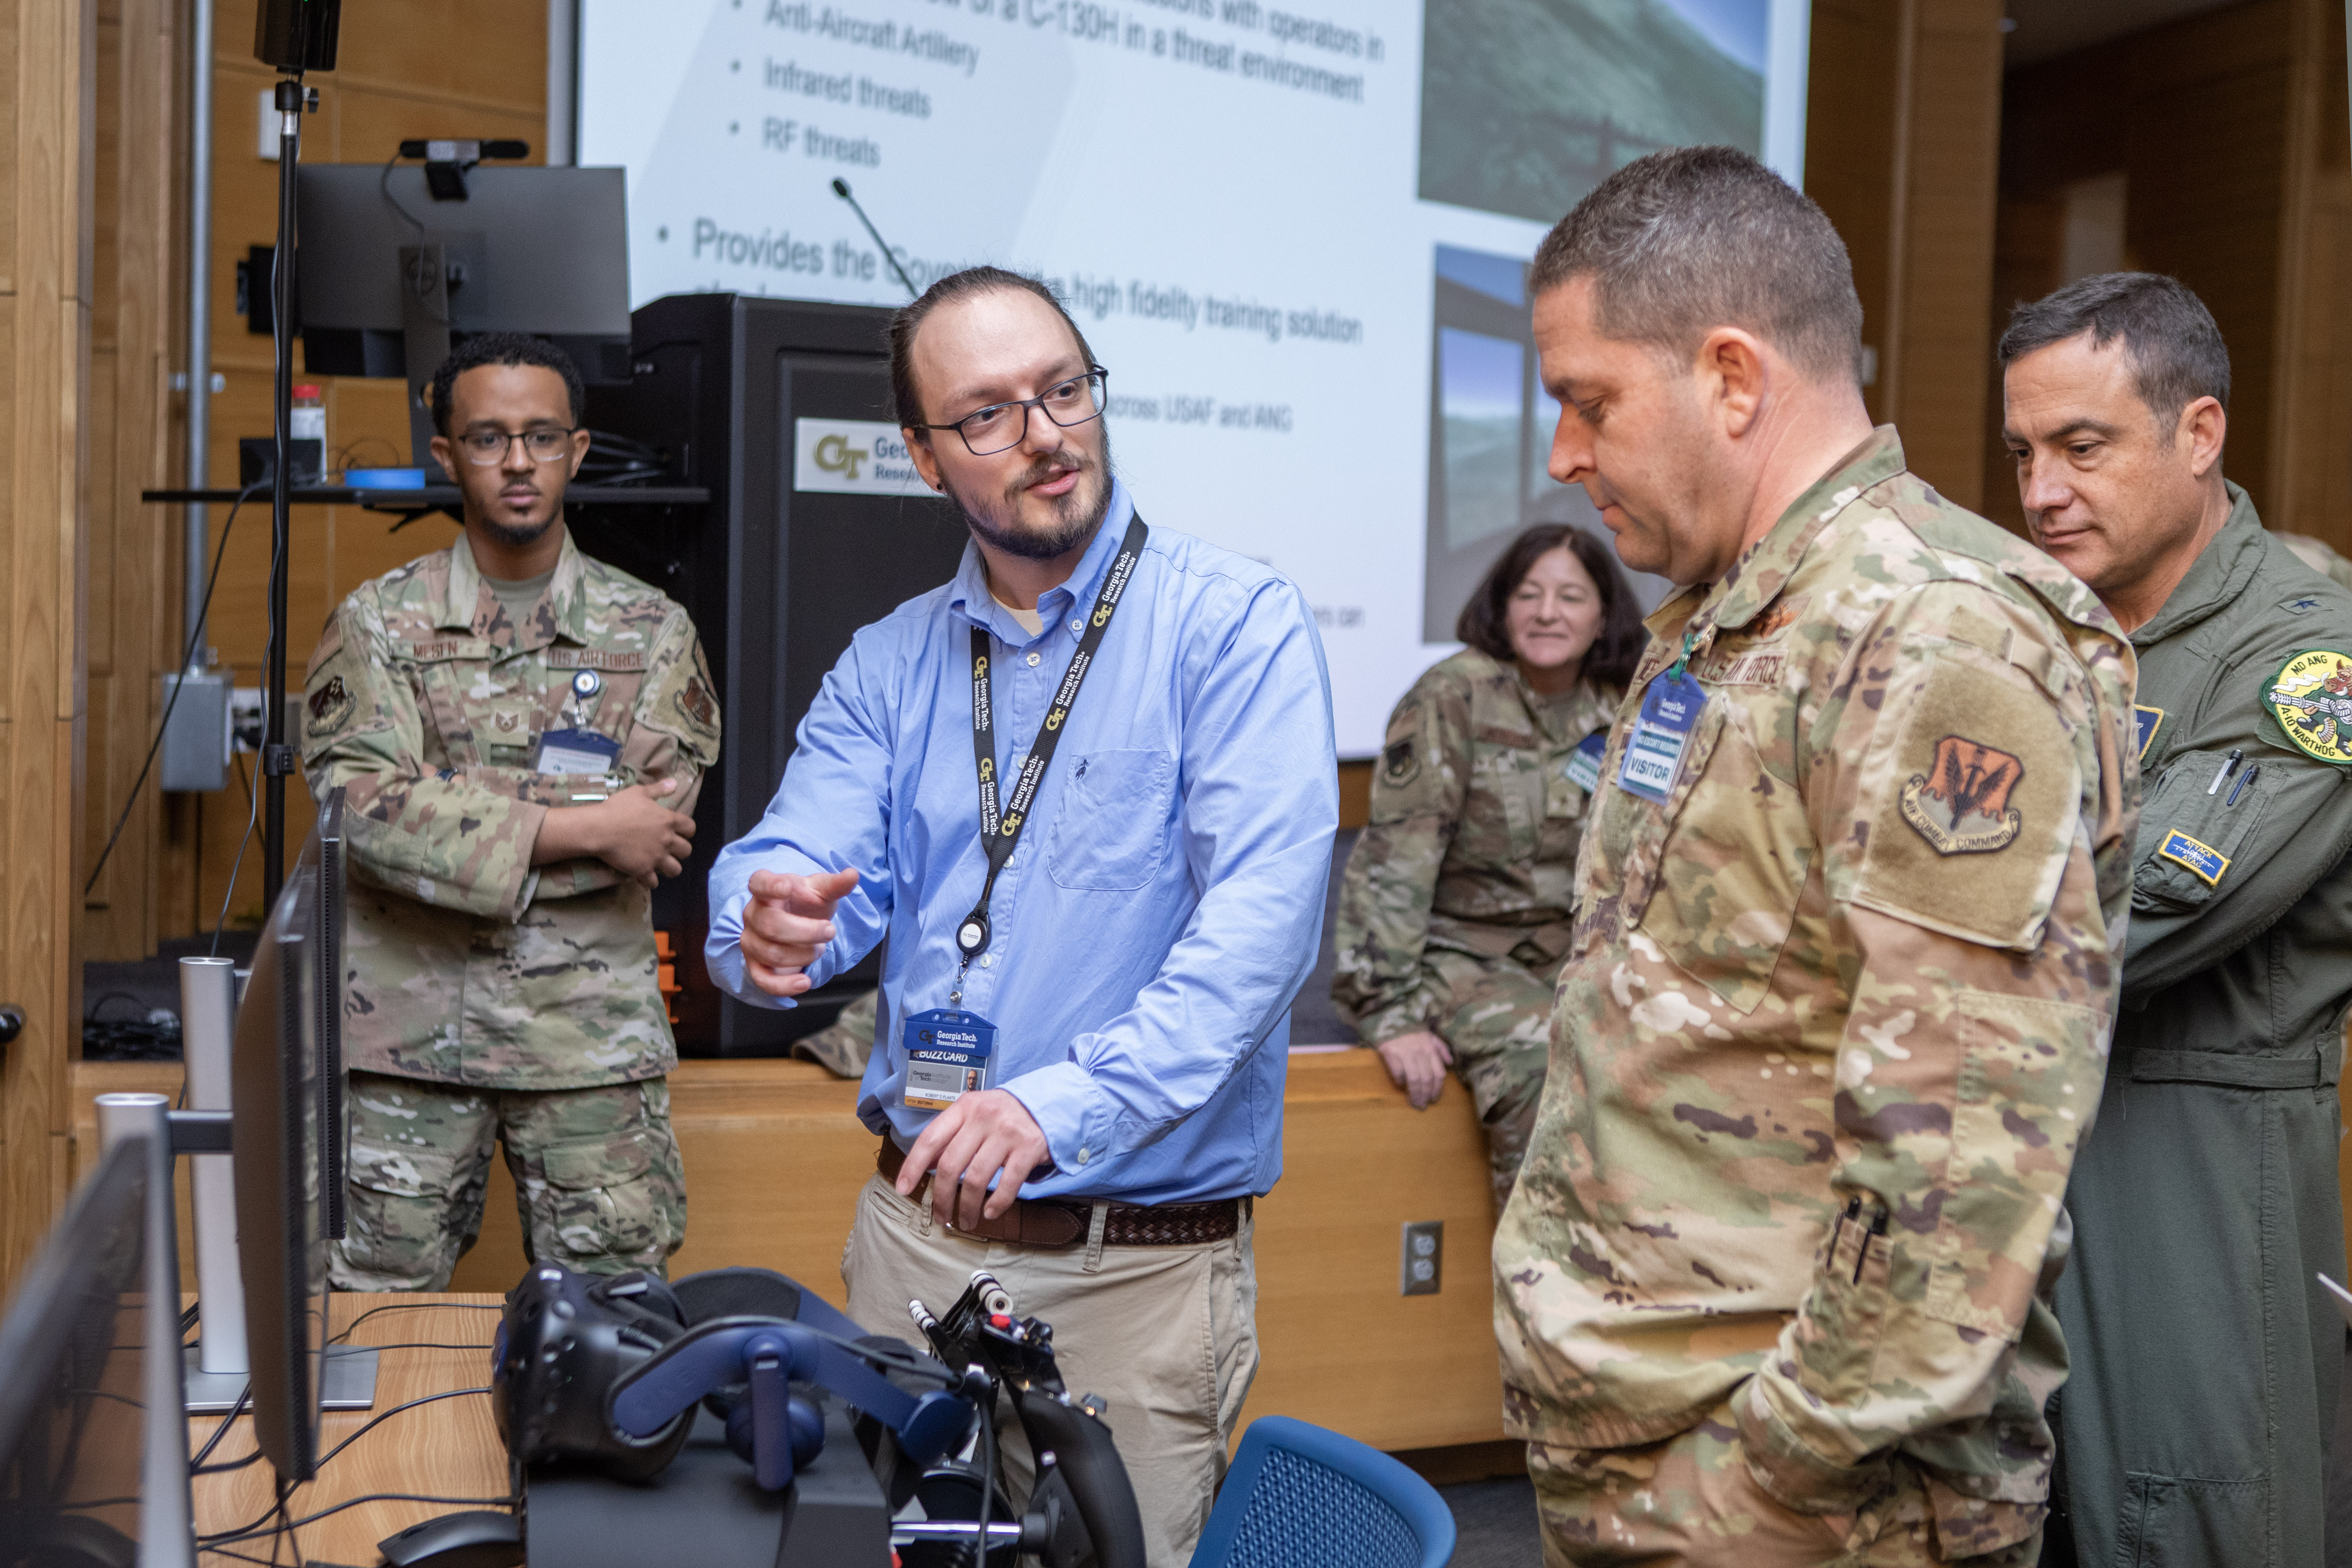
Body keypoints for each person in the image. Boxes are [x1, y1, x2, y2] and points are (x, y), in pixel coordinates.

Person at [1491, 146, 2138, 1567]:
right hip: (1669, 1458)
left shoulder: (1937, 636)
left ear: (1732, 375)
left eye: (1587, 401)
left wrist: (1753, 1483)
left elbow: (1964, 1155)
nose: (1563, 456)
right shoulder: (1733, 617)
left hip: (1795, 1505)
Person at [702, 267, 1337, 1567]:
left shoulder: (1230, 626)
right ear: (925, 459)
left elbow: (1261, 933)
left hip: (1132, 1279)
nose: (1046, 433)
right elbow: (795, 859)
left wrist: (1061, 1104)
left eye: (1063, 389)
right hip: (909, 1258)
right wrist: (760, 920)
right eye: (988, 414)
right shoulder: (891, 661)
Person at [1998, 272, 2352, 1568]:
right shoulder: (2037, 635)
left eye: (2082, 448)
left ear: (2198, 434)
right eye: (2025, 453)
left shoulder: (2308, 657)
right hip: (2028, 1166)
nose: (2041, 493)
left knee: (2193, 1520)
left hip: (2198, 1178)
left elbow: (2126, 919)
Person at [303, 333, 720, 1290]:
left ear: (577, 449)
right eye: (489, 438)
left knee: (616, 1339)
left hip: (585, 1051)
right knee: (370, 1329)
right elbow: (362, 815)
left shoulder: (651, 630)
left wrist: (452, 816)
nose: (519, 462)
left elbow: (654, 826)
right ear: (447, 454)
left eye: (541, 436)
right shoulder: (378, 622)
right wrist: (579, 826)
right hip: (404, 1051)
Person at [1332, 523, 1641, 1211]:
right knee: (1545, 1056)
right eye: (1527, 594)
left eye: (1570, 595)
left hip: (1574, 956)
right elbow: (1395, 860)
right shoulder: (1453, 696)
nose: (1546, 612)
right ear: (1502, 607)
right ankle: (1537, 1280)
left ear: (1601, 615)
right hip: (1461, 953)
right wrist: (1388, 1011)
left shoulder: (1623, 703)